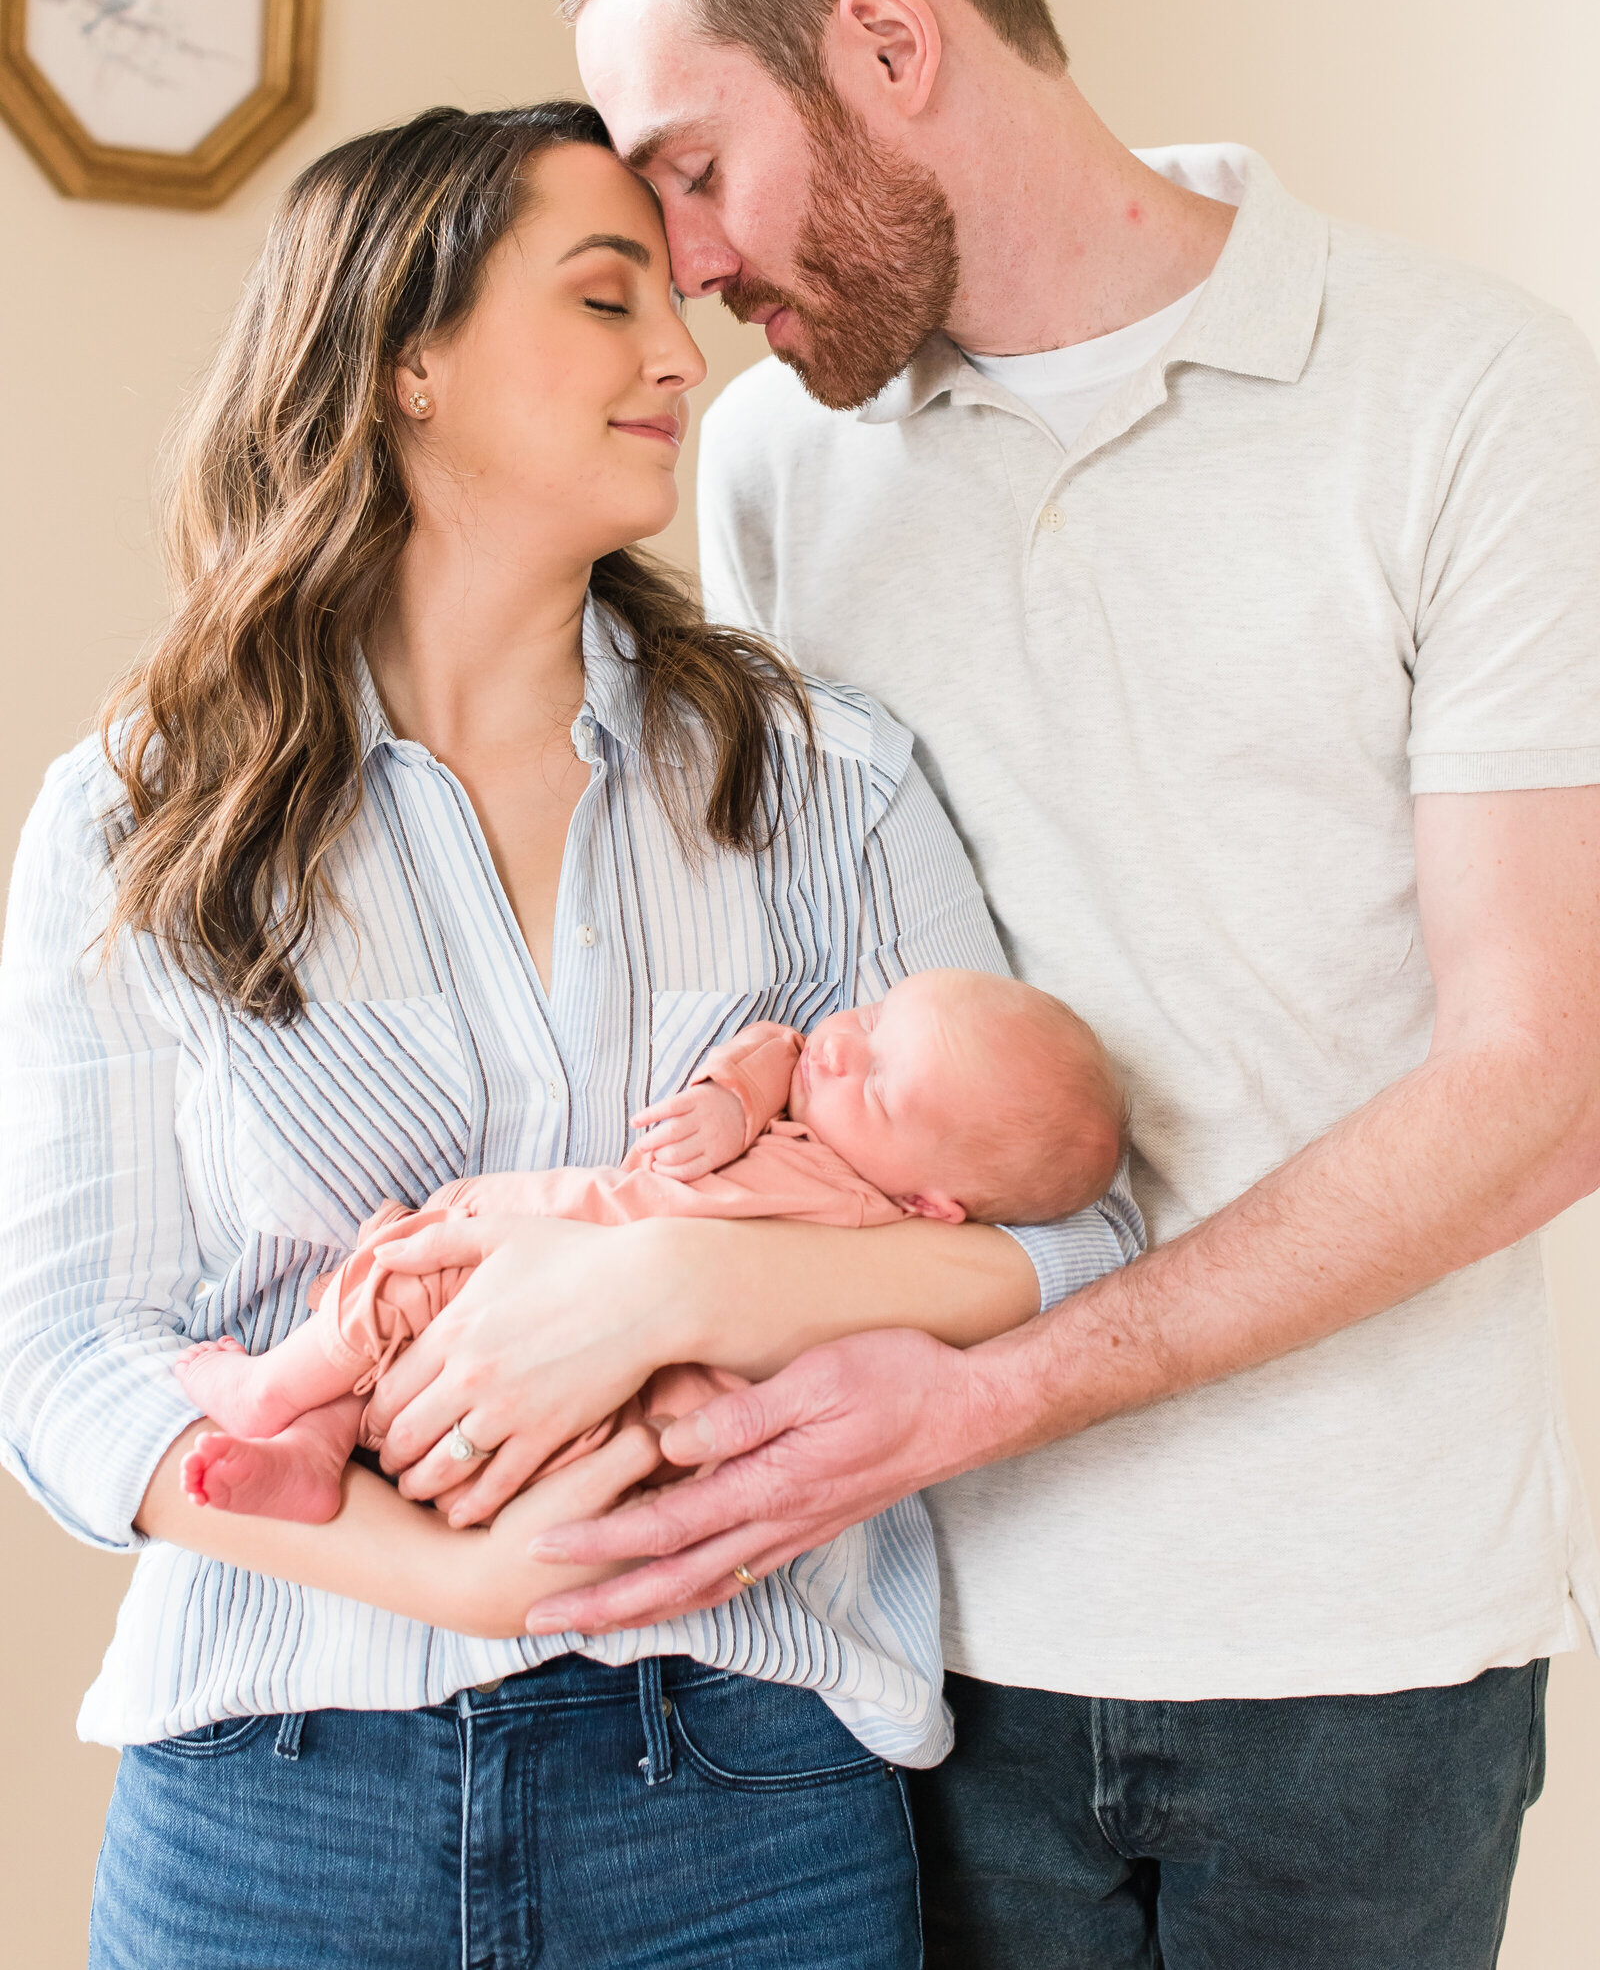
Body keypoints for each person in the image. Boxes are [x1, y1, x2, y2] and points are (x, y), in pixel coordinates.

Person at [501, 0, 1600, 1967]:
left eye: (699, 170)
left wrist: (987, 1391)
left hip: (1357, 1639)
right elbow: (797, 991)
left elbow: (1540, 1079)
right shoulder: (776, 468)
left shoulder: (1465, 394)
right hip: (922, 1631)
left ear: (892, 45)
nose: (689, 272)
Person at [0, 100, 1141, 1970]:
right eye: (604, 300)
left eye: (669, 308)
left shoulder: (825, 778)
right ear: (407, 362)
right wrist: (449, 1572)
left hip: (746, 1799)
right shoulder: (138, 814)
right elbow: (61, 1363)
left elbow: (1067, 1241)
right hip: (275, 1790)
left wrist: (679, 1284)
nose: (680, 355)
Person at [172, 970, 1130, 1524]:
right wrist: (727, 1100)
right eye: (874, 1017)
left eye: (878, 1081)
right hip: (552, 1243)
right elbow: (779, 1048)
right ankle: (303, 1429)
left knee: (416, 1271)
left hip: (610, 1383)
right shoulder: (793, 1099)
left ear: (935, 1199)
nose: (841, 1046)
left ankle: (279, 1393)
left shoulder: (885, 1233)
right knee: (410, 1272)